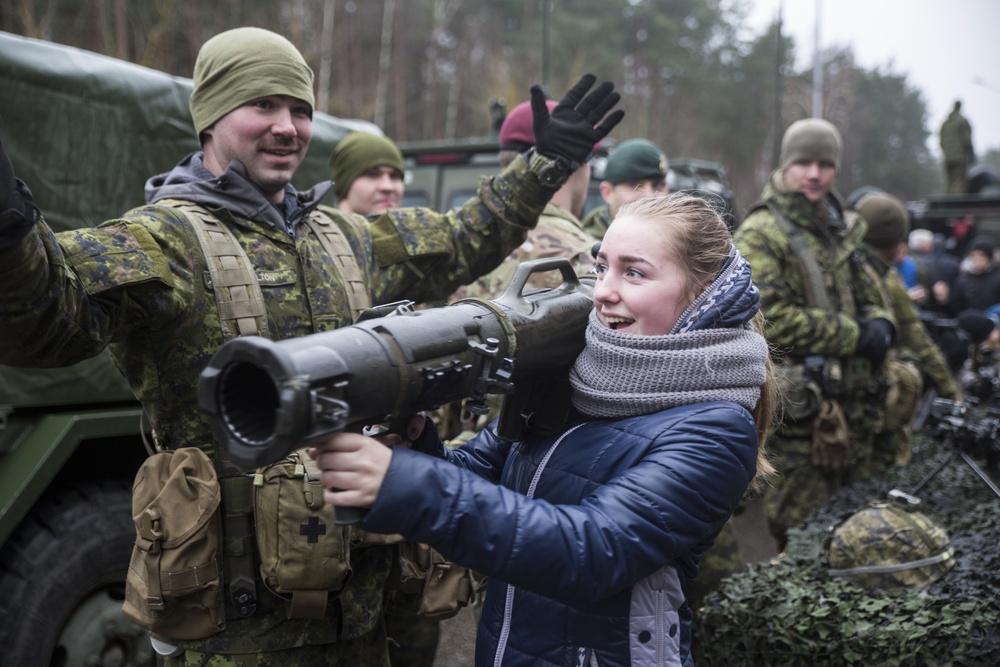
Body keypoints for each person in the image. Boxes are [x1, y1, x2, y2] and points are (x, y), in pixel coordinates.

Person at [0, 26, 624, 666]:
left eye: (300, 109)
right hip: (240, 628)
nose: (287, 127)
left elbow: (463, 237)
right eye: (262, 105)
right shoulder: (164, 242)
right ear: (211, 118)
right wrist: (12, 224)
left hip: (359, 607)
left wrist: (544, 162)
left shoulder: (345, 238)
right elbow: (46, 317)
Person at [312, 193, 776, 666]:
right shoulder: (580, 377)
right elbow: (481, 472)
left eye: (633, 272)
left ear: (703, 294)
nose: (603, 291)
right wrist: (416, 448)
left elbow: (592, 552)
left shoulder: (717, 428)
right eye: (602, 267)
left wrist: (408, 483)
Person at [733, 118, 898, 550]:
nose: (814, 173)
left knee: (862, 535)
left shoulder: (841, 229)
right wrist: (856, 334)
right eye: (803, 162)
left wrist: (882, 323)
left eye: (824, 164)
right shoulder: (762, 232)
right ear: (786, 167)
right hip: (804, 420)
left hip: (858, 414)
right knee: (804, 539)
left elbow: (873, 297)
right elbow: (770, 318)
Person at [328, 130, 440, 667]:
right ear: (345, 183)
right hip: (341, 483)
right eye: (374, 174)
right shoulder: (325, 255)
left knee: (414, 626)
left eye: (396, 174)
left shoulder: (409, 258)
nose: (389, 185)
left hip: (408, 463)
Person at [854, 190, 958, 465]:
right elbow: (917, 338)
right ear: (895, 241)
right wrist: (953, 394)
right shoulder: (886, 279)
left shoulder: (843, 267)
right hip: (880, 405)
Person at [581, 138, 669, 240]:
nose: (649, 196)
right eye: (635, 185)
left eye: (658, 185)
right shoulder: (585, 250)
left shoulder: (681, 244)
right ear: (607, 192)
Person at [329, 131, 405, 215]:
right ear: (344, 182)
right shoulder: (317, 227)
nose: (387, 187)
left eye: (395, 176)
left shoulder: (416, 226)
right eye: (372, 174)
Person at [935, 235, 1000, 316]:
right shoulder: (963, 280)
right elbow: (955, 309)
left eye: (981, 255)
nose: (977, 259)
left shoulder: (997, 277)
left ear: (990, 258)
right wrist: (944, 299)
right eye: (973, 255)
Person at [940, 100, 975, 196]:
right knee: (959, 183)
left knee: (949, 184)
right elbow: (967, 140)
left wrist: (947, 153)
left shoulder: (946, 123)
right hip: (960, 158)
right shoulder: (962, 122)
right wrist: (971, 155)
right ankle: (957, 207)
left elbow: (941, 142)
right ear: (960, 107)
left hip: (947, 158)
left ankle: (948, 208)